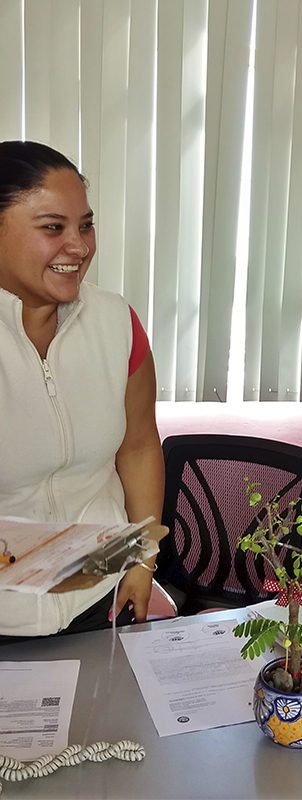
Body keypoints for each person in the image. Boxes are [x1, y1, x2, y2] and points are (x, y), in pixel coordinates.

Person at [0, 141, 164, 638]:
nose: (80, 246)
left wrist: (142, 562)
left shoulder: (117, 323)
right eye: (53, 228)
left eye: (86, 225)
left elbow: (137, 447)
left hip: (100, 596)